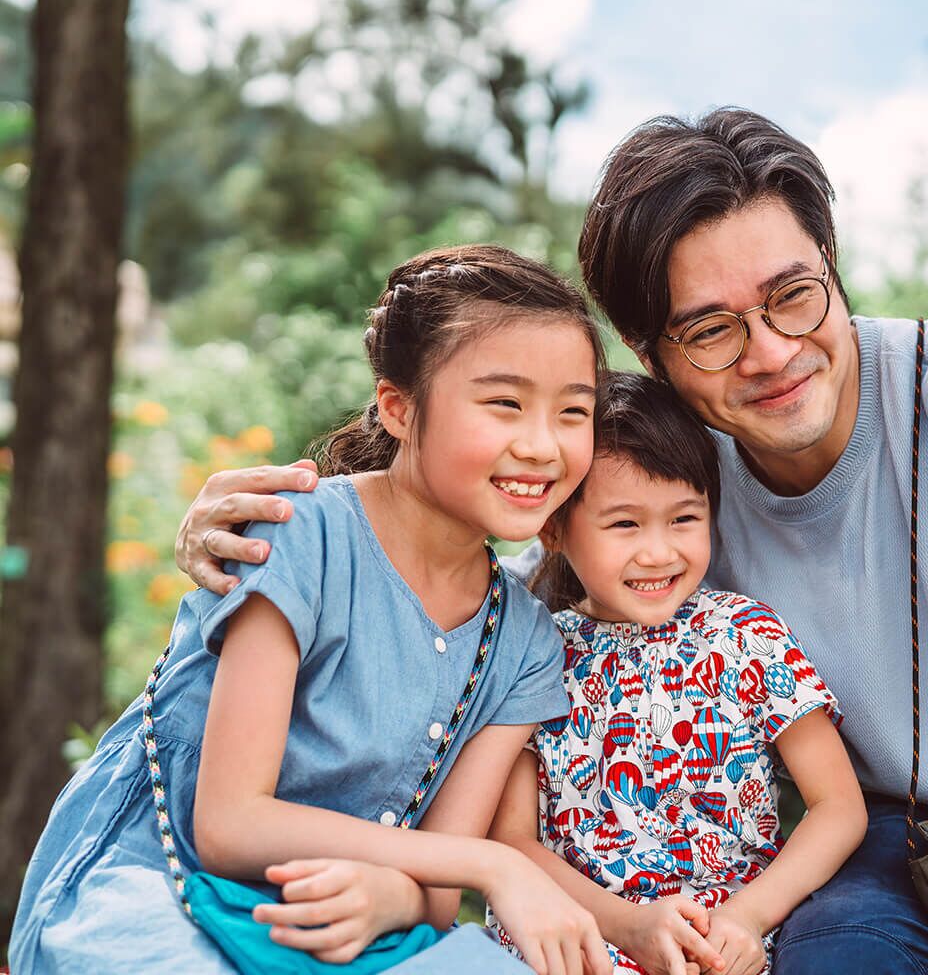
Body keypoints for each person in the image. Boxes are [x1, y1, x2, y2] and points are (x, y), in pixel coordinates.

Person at [175, 110, 928, 975]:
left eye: (792, 297)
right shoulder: (677, 481)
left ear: (831, 265)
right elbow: (498, 560)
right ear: (655, 359)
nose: (770, 354)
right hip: (891, 842)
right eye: (711, 330)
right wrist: (283, 520)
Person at [13, 245, 615, 975]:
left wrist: (394, 895)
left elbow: (430, 897)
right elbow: (230, 823)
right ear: (399, 408)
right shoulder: (300, 535)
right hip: (151, 887)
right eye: (505, 404)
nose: (541, 445)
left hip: (339, 924)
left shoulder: (520, 640)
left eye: (573, 412)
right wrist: (496, 866)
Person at [485, 372, 866, 975]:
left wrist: (748, 916)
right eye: (625, 525)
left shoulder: (745, 635)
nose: (659, 552)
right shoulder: (531, 651)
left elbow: (839, 805)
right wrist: (626, 927)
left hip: (729, 944)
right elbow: (513, 841)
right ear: (554, 527)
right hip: (577, 939)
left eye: (684, 519)